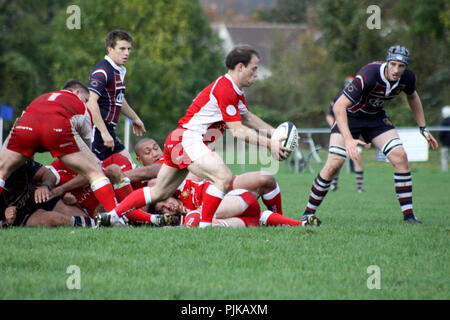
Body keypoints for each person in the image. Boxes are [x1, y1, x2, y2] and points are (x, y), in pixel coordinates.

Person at [105, 45, 291, 227]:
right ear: (240, 67)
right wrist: (269, 144)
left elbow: (248, 118)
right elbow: (237, 130)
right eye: (254, 68)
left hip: (179, 139)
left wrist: (276, 135)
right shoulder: (225, 88)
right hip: (188, 139)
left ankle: (113, 215)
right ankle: (204, 227)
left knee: (159, 192)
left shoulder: (234, 91)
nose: (257, 74)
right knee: (224, 178)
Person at [301, 45, 439, 224]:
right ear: (387, 62)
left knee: (400, 157)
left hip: (375, 119)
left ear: (406, 66)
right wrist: (350, 139)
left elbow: (412, 96)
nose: (396, 70)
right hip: (349, 117)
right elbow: (338, 106)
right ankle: (307, 213)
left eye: (401, 66)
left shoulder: (408, 77)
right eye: (394, 64)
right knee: (335, 164)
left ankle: (409, 217)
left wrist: (423, 128)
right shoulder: (369, 74)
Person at [0, 79, 122, 221]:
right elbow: (86, 147)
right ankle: (115, 218)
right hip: (57, 129)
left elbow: (19, 121)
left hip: (25, 127)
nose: (88, 103)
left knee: (2, 172)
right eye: (86, 99)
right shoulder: (80, 105)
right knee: (94, 171)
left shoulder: (41, 98)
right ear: (76, 93)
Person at [87, 30, 145, 161]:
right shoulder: (103, 71)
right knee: (91, 175)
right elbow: (91, 102)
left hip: (108, 130)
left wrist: (134, 118)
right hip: (97, 130)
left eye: (129, 49)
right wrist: (103, 132)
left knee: (128, 166)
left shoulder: (118, 70)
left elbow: (117, 98)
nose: (127, 53)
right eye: (122, 48)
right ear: (110, 49)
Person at [0, 160, 97, 229]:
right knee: (53, 218)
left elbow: (48, 174)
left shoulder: (18, 162)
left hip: (39, 199)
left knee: (81, 216)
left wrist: (45, 186)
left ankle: (99, 224)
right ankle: (97, 225)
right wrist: (6, 221)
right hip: (20, 216)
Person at [326, 76, 367, 193]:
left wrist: (366, 135)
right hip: (340, 133)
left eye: (351, 83)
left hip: (354, 132)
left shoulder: (360, 98)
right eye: (347, 83)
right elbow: (329, 115)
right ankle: (334, 185)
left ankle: (359, 187)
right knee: (337, 160)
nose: (349, 85)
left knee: (357, 158)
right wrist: (335, 126)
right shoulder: (338, 97)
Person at [438, 105, 450, 171]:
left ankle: (444, 170)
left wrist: (440, 140)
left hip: (445, 144)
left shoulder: (444, 122)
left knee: (444, 157)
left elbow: (441, 133)